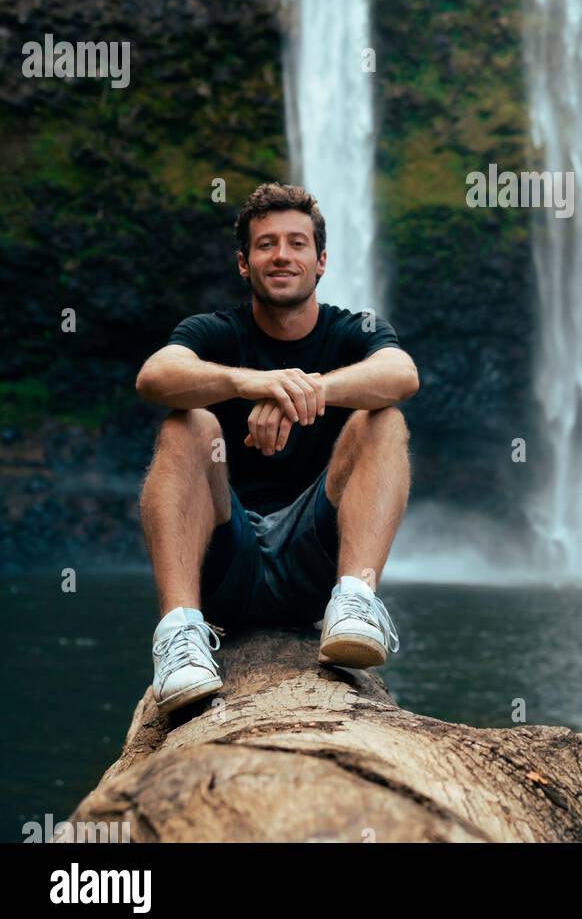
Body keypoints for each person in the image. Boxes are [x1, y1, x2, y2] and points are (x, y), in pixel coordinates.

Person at [134, 181, 420, 716]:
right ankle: (178, 636)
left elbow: (402, 374)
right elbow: (155, 377)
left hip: (314, 563)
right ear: (244, 264)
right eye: (266, 245)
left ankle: (356, 602)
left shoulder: (354, 329)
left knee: (383, 419)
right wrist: (252, 383)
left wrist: (303, 390)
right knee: (187, 424)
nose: (282, 255)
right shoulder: (212, 331)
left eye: (296, 243)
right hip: (226, 557)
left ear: (321, 261)